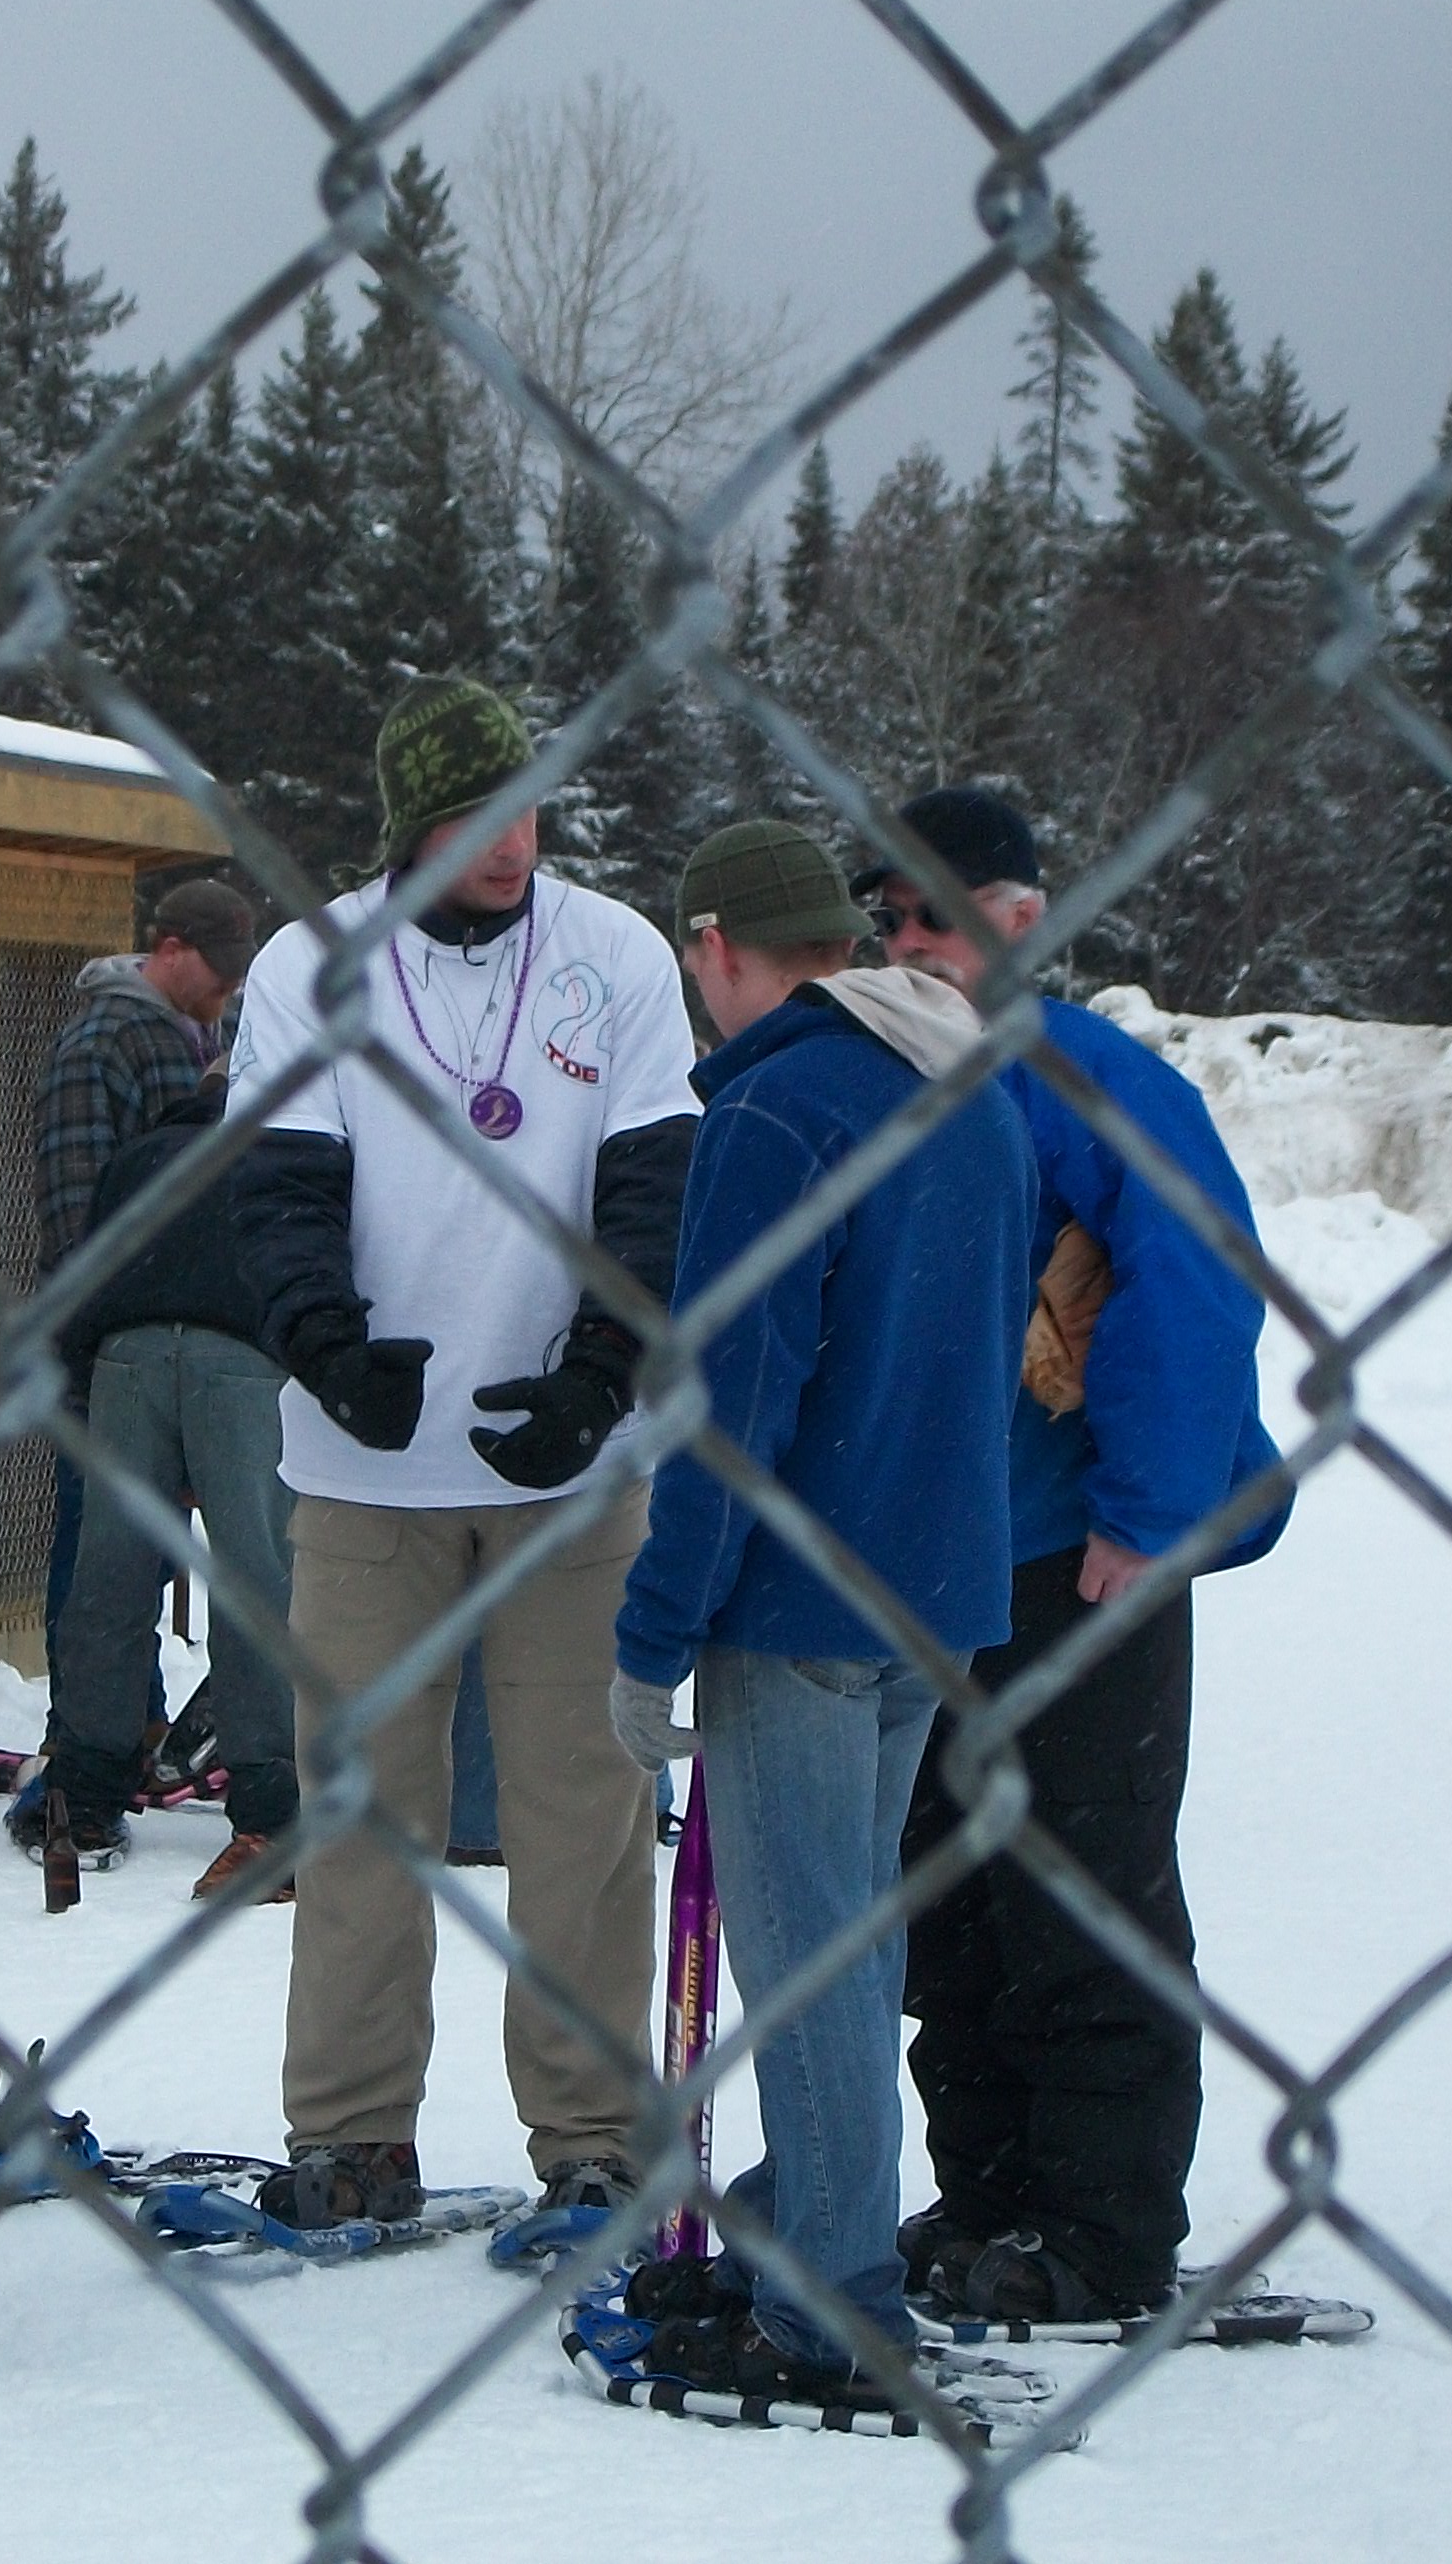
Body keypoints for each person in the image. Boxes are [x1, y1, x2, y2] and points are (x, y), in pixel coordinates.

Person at [226, 676, 699, 2239]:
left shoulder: (615, 956)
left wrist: (599, 1373)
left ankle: (590, 2136)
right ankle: (352, 2133)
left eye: (529, 808)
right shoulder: (312, 964)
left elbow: (650, 1185)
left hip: (572, 1470)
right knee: (366, 1818)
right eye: (474, 815)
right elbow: (281, 1189)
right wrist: (330, 1352)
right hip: (368, 1481)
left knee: (584, 1818)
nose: (512, 842)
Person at [602, 821, 1037, 2409]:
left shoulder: (779, 1105)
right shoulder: (972, 1089)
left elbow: (733, 1403)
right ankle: (802, 2221)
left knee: (806, 1959)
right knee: (853, 1938)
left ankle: (836, 2302)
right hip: (937, 1589)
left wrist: (657, 1634)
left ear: (716, 944)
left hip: (797, 1599)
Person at [855, 784, 1287, 2328]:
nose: (905, 941)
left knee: (1081, 1886)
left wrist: (1145, 1518)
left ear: (1016, 920)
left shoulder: (1085, 1078)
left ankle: (1100, 2228)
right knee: (948, 1897)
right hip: (932, 1566)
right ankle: (988, 2193)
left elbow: (1191, 1283)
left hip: (1072, 1560)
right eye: (885, 918)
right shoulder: (889, 1078)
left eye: (933, 915)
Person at [41, 1061, 300, 1900]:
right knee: (254, 1579)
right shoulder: (288, 1149)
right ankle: (270, 1810)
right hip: (244, 1359)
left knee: (111, 1573)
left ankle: (82, 1793)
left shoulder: (141, 1156)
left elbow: (88, 1271)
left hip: (130, 1353)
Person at [30, 876, 261, 1658]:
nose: (231, 984)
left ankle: (150, 1723)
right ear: (168, 949)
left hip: (212, 1339)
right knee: (105, 1550)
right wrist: (87, 1357)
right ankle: (94, 1735)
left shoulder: (212, 1039)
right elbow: (74, 1214)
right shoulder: (102, 1043)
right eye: (218, 965)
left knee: (169, 1551)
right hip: (114, 1348)